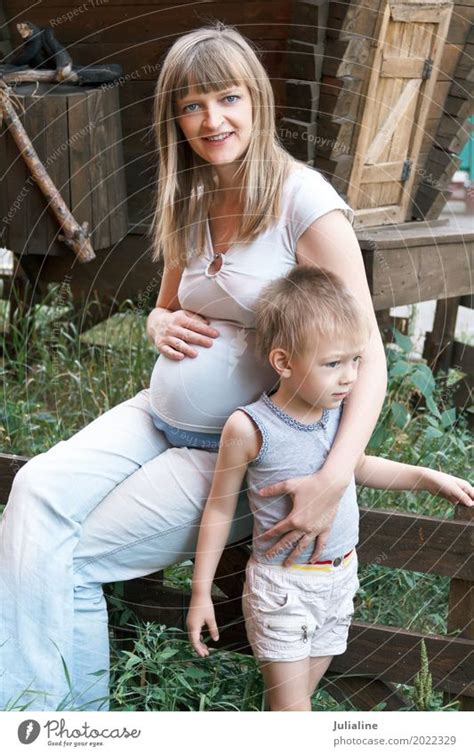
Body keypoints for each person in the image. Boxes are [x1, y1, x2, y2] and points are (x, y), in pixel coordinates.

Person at [0, 23, 388, 712]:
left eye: (228, 98)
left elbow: (371, 357)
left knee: (73, 556)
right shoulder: (192, 192)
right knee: (35, 489)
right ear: (174, 117)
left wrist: (332, 478)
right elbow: (167, 306)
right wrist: (156, 322)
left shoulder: (305, 205)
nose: (213, 120)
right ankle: (30, 707)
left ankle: (60, 719)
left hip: (233, 452)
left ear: (257, 102)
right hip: (159, 416)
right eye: (192, 104)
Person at [187, 266, 474, 712]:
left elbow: (358, 465)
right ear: (283, 362)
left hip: (340, 580)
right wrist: (200, 591)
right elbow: (219, 511)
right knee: (292, 713)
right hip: (284, 589)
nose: (349, 377)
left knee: (294, 704)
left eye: (355, 360)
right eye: (333, 363)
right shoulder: (249, 428)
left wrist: (426, 478)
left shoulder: (335, 415)